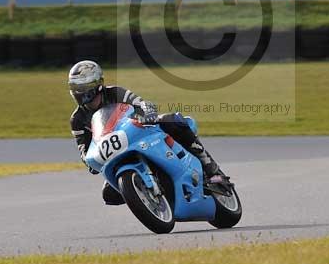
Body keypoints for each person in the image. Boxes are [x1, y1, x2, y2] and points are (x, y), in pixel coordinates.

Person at [67, 60, 226, 206]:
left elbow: (141, 103)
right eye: (75, 89)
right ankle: (146, 195)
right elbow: (84, 149)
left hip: (137, 131)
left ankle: (210, 168)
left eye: (82, 89)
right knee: (109, 195)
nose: (79, 94)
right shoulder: (77, 120)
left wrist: (148, 113)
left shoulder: (115, 92)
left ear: (97, 85)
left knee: (173, 120)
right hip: (115, 155)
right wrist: (90, 161)